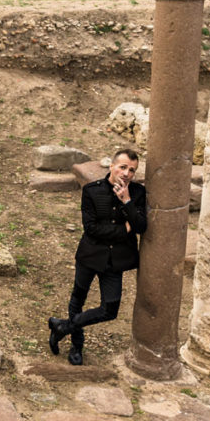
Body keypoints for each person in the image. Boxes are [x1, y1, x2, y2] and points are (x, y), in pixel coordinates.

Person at [47, 148, 147, 365]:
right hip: (90, 255)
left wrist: (127, 201)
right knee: (78, 300)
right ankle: (77, 345)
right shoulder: (92, 191)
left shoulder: (138, 193)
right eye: (123, 167)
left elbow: (141, 226)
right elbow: (92, 229)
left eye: (132, 170)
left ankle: (62, 327)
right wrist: (124, 230)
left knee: (109, 310)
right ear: (111, 166)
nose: (127, 173)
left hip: (116, 261)